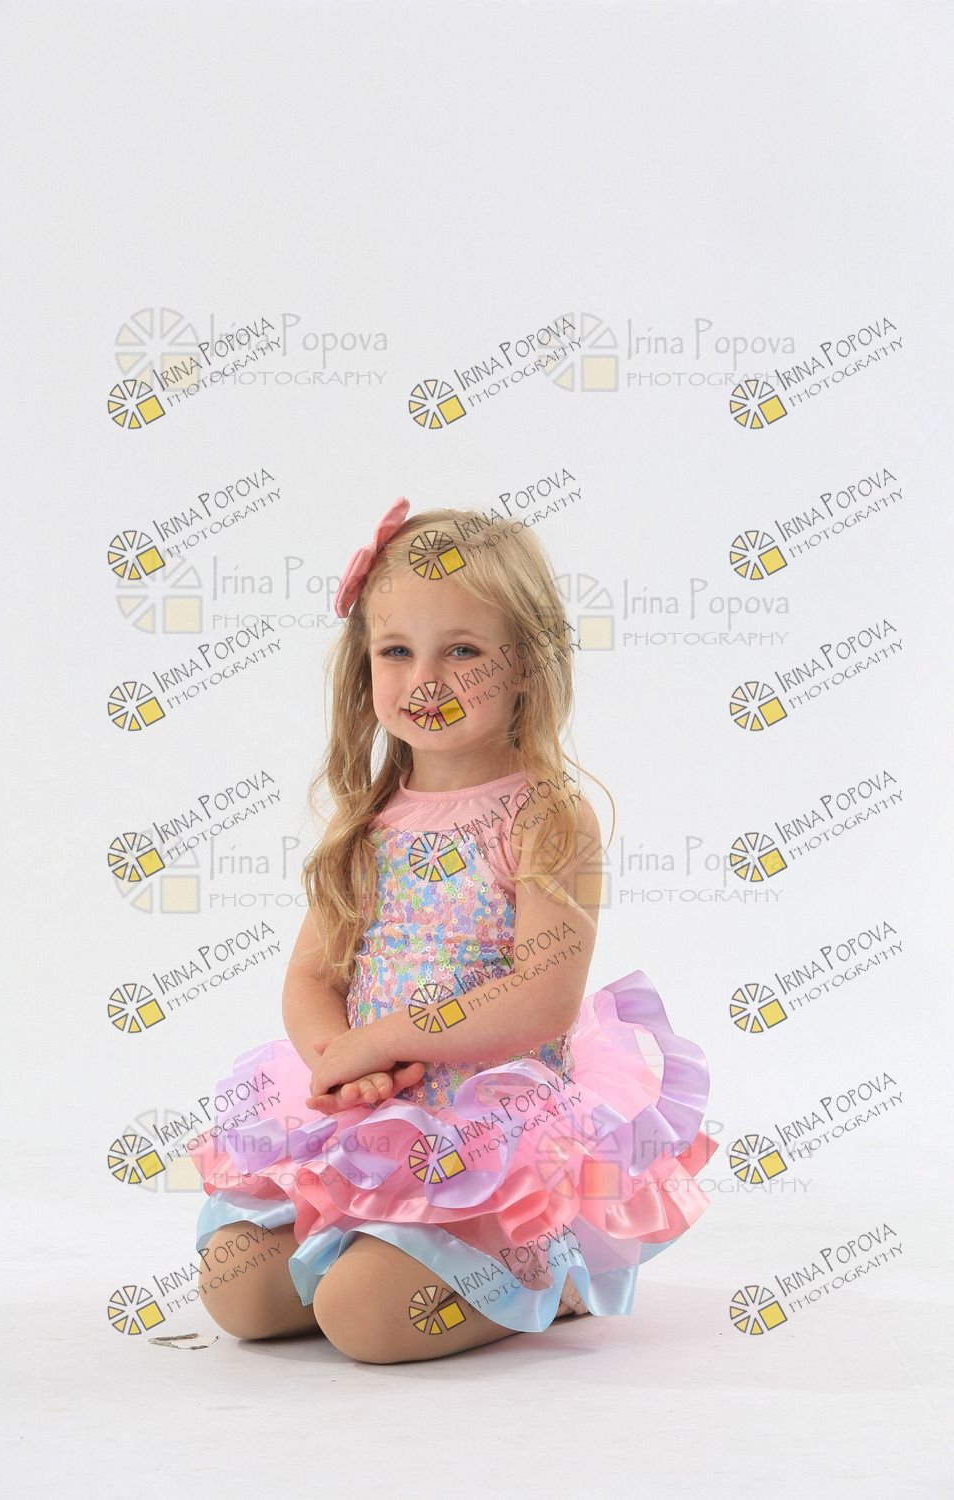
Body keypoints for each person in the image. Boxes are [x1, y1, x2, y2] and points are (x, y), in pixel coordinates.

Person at [189, 496, 718, 1364]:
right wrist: (339, 1061)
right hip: (372, 1120)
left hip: (490, 1134)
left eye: (463, 651)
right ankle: (380, 1244)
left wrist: (384, 1039)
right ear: (364, 666)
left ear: (527, 666)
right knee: (238, 1291)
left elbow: (543, 995)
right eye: (397, 651)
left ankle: (547, 1266)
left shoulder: (546, 816)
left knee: (363, 1318)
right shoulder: (366, 824)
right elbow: (313, 976)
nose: (425, 680)